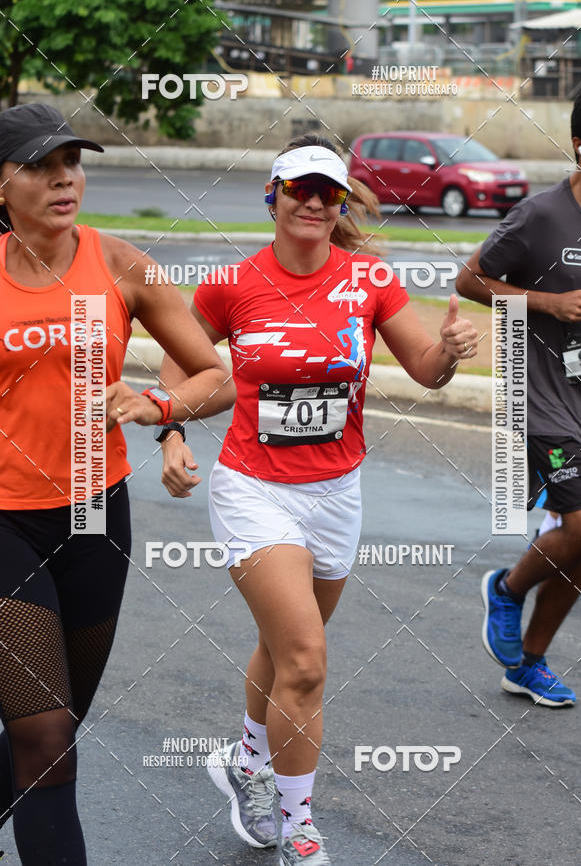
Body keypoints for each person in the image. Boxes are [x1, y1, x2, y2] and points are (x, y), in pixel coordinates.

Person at [159, 133, 478, 864]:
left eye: (328, 192)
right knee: (305, 656)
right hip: (252, 490)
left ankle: (246, 757)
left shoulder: (369, 281)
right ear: (272, 195)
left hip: (337, 493)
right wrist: (171, 435)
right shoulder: (231, 285)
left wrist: (452, 353)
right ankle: (301, 827)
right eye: (299, 187)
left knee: (282, 646)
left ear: (340, 204)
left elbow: (426, 371)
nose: (313, 201)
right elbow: (189, 367)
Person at [0, 103, 235, 864]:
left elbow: (214, 374)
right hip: (5, 519)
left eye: (72, 160)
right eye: (40, 164)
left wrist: (155, 405)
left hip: (98, 515)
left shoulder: (124, 264)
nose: (64, 176)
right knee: (42, 735)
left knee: (57, 725)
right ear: (3, 184)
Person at [456, 87, 581, 708]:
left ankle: (529, 664)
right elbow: (469, 280)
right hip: (542, 400)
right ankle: (508, 590)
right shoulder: (542, 217)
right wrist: (546, 303)